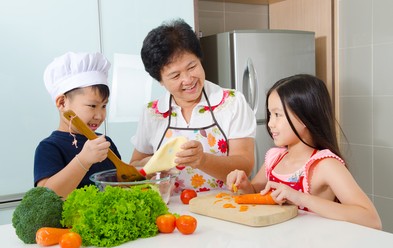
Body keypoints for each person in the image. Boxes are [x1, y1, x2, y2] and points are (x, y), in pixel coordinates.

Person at [226, 74, 382, 229]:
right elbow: (254, 192)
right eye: (270, 114)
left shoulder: (325, 165)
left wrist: (299, 198)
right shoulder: (275, 159)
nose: (270, 123)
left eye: (278, 115)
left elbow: (371, 219)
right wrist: (244, 185)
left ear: (305, 117)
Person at [130, 19, 256, 192]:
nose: (188, 80)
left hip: (222, 207)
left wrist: (202, 160)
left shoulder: (231, 102)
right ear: (159, 81)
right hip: (168, 211)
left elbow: (245, 165)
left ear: (200, 59)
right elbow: (134, 168)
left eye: (192, 66)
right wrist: (151, 165)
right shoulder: (152, 113)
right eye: (175, 76)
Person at [34, 51, 121, 198]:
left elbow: (120, 181)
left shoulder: (105, 142)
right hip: (70, 221)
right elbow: (45, 196)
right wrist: (83, 160)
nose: (100, 115)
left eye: (104, 106)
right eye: (92, 106)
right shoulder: (49, 147)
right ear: (62, 103)